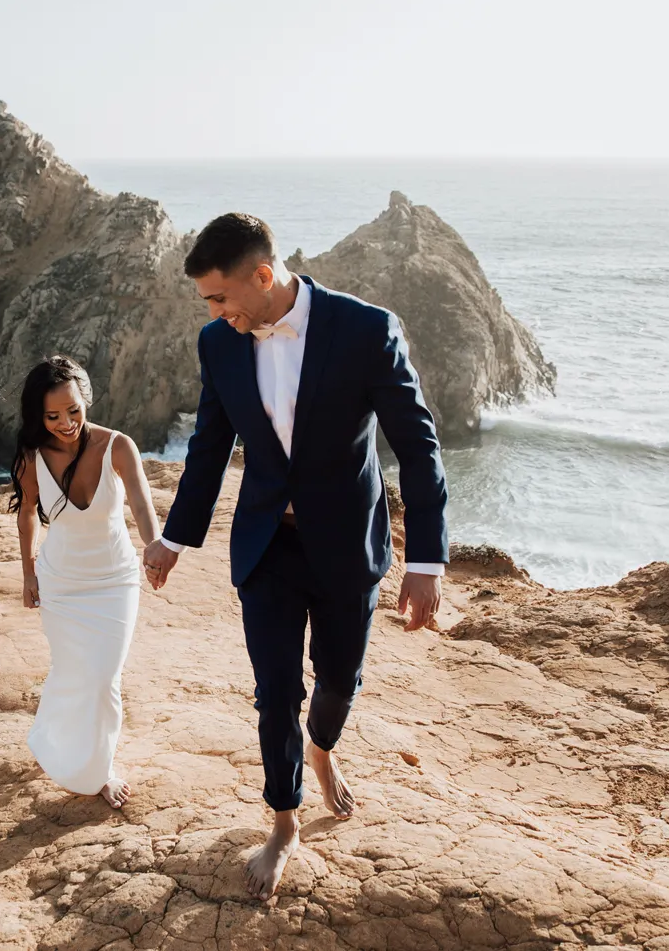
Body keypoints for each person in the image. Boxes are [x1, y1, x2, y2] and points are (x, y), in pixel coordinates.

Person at [142, 212, 448, 900]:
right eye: (208, 304)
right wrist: (175, 535)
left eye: (222, 297)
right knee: (274, 690)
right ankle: (284, 820)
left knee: (337, 679)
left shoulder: (367, 331)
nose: (216, 313)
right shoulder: (219, 344)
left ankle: (324, 748)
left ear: (261, 275)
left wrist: (426, 560)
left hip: (346, 543)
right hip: (268, 544)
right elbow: (209, 448)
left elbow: (418, 445)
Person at [10, 355, 165, 808]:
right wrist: (28, 572)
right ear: (38, 416)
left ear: (86, 401)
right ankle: (52, 742)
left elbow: (140, 501)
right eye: (52, 416)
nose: (65, 423)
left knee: (103, 678)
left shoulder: (118, 445)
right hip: (60, 580)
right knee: (71, 670)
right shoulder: (32, 456)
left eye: (73, 411)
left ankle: (98, 768)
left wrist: (154, 545)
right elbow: (26, 513)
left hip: (114, 581)